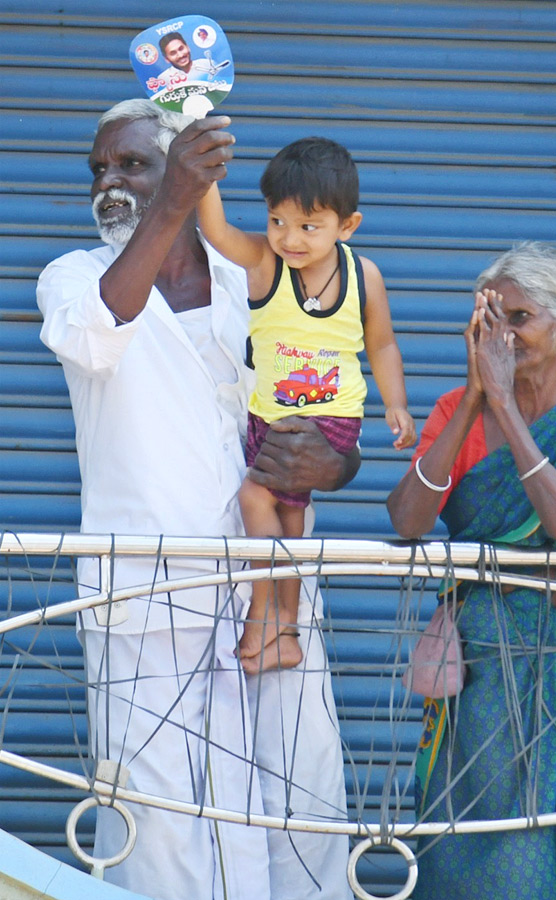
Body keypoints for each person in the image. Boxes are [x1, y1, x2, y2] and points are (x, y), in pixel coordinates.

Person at [36, 98, 354, 900]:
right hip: (148, 600)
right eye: (100, 169)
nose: (110, 181)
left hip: (270, 593)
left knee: (295, 806)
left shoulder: (256, 280)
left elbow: (328, 411)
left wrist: (332, 468)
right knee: (163, 828)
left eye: (134, 165)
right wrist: (171, 198)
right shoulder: (75, 278)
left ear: (189, 171)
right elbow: (92, 334)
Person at [387, 242, 556, 899]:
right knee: (481, 837)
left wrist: (506, 403)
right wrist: (480, 397)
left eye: (520, 317)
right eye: (491, 321)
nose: (504, 335)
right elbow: (408, 520)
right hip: (484, 667)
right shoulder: (462, 409)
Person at [196, 133, 416, 673]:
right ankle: (287, 633)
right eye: (277, 221)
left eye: (308, 226)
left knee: (254, 498)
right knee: (290, 519)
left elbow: (382, 343)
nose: (288, 238)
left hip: (327, 425)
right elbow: (218, 232)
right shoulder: (267, 265)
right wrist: (203, 174)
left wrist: (398, 404)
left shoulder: (364, 277)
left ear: (348, 226)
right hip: (269, 419)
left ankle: (261, 614)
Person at [158, 32, 230, 86]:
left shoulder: (209, 64)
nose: (180, 55)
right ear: (167, 59)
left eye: (181, 49)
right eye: (173, 53)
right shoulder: (163, 79)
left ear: (188, 47)